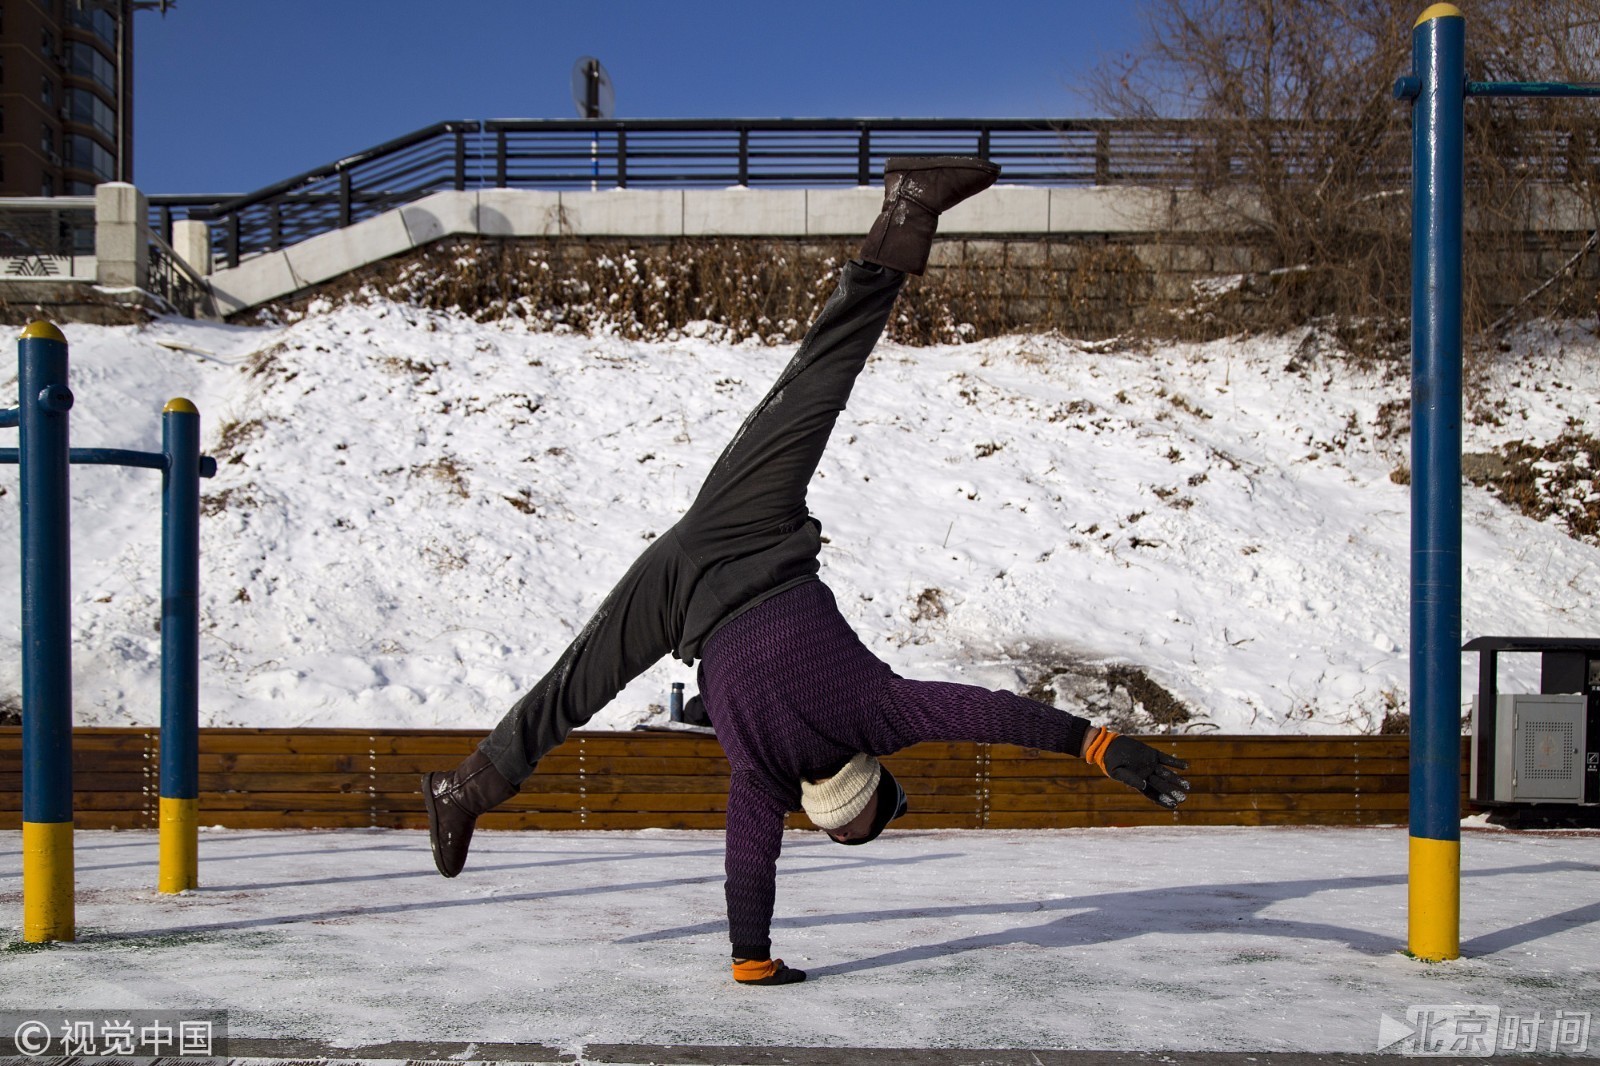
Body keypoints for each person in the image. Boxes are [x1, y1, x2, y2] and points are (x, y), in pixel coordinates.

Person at [422, 157, 1192, 986]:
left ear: (872, 783)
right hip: (683, 594)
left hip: (746, 532)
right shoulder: (764, 774)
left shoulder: (876, 715)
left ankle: (906, 210)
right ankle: (463, 791)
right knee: (573, 686)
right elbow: (748, 861)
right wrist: (749, 959)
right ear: (821, 807)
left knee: (822, 376)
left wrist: (1097, 745)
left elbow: (986, 713)